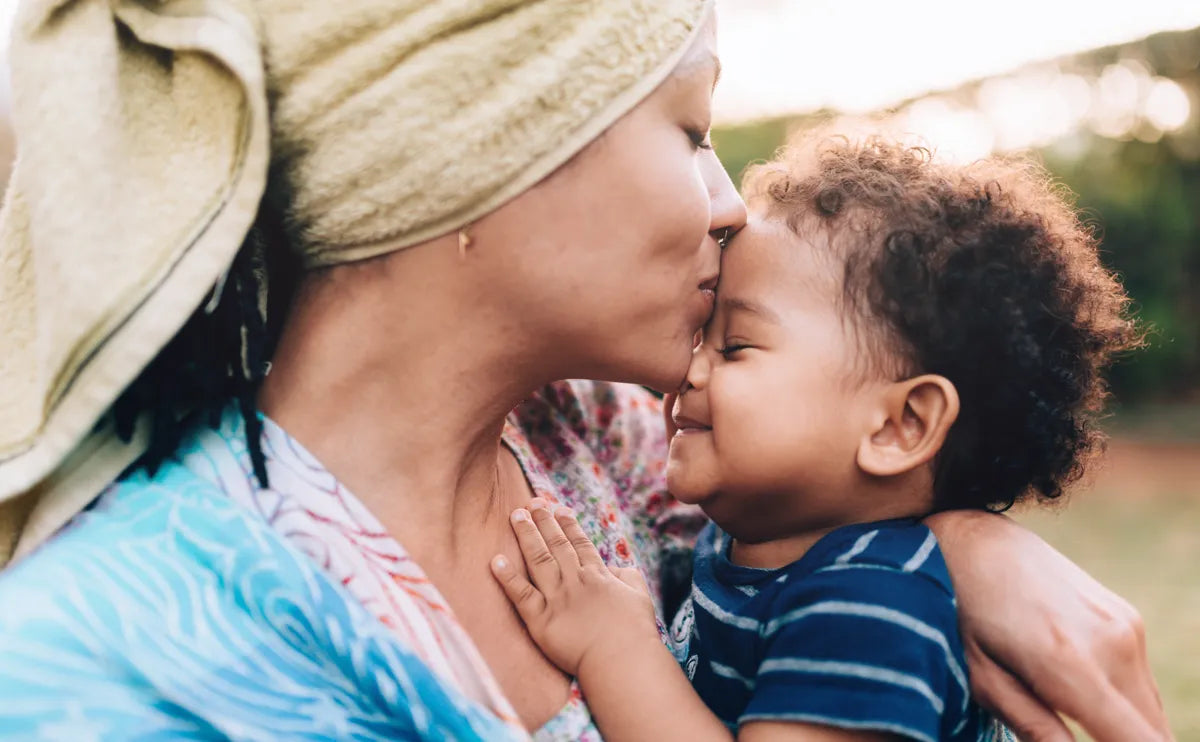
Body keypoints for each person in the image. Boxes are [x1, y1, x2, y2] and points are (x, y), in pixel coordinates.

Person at [0, 1, 1169, 740]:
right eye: (691, 132)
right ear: (483, 147)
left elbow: (830, 496)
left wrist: (962, 540)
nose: (727, 208)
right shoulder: (112, 667)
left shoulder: (592, 438)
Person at [489, 133, 1145, 742]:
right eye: (701, 339)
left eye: (736, 346)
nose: (687, 370)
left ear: (898, 426)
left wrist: (616, 648)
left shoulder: (871, 604)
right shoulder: (748, 543)